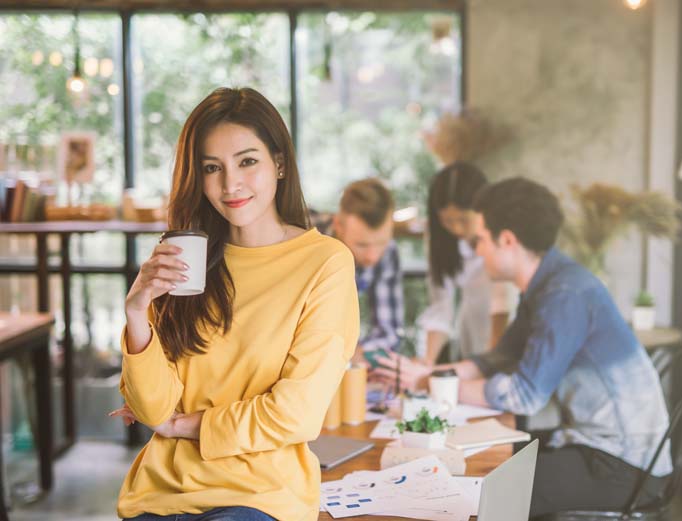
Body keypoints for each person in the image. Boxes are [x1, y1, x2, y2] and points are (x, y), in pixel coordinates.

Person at [109, 87, 359, 521]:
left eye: (247, 161)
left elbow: (295, 415)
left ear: (278, 164)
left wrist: (184, 425)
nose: (230, 184)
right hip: (158, 497)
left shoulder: (325, 263)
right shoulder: (185, 260)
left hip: (258, 498)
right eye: (212, 168)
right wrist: (136, 313)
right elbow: (152, 410)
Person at [374, 177, 672, 518]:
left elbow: (524, 394)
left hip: (624, 464)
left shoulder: (564, 295)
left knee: (488, 493)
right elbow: (496, 359)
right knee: (474, 467)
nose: (476, 250)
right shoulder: (549, 282)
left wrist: (427, 384)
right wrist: (426, 374)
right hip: (599, 447)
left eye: (481, 239)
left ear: (507, 240)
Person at [418, 162, 516, 364]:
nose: (456, 228)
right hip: (471, 330)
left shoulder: (501, 233)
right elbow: (440, 305)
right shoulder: (438, 239)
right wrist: (427, 361)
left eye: (463, 219)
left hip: (507, 331)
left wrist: (493, 360)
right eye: (447, 221)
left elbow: (502, 303)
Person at [312, 178, 404, 361]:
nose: (373, 256)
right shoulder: (307, 237)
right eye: (362, 245)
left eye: (381, 243)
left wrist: (353, 355)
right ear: (338, 225)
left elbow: (389, 332)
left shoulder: (389, 252)